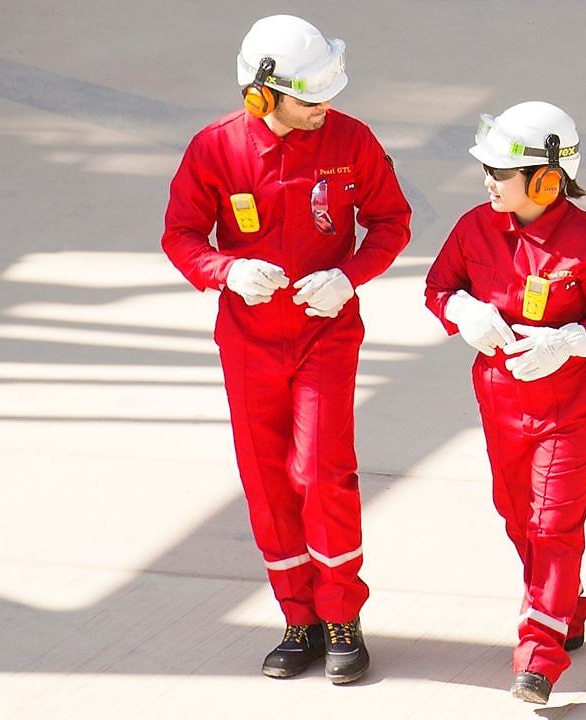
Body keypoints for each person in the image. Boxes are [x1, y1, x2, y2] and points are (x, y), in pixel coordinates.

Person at [161, 14, 411, 685]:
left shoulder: (351, 140)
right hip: (248, 343)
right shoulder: (214, 150)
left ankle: (342, 619)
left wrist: (348, 276)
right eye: (311, 99)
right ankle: (297, 620)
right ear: (261, 96)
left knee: (323, 472)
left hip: (325, 334)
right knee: (268, 482)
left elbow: (392, 221)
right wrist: (227, 271)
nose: (325, 108)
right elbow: (182, 236)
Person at [424, 101, 586, 704]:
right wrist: (461, 312)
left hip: (570, 407)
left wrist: (573, 341)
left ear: (546, 180)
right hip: (500, 401)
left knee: (552, 523)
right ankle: (564, 608)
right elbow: (439, 287)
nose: (487, 181)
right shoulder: (474, 228)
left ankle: (538, 655)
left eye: (499, 172)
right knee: (517, 514)